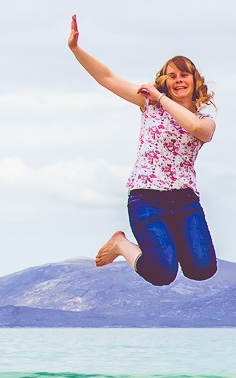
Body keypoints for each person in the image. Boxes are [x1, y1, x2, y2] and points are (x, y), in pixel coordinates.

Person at [67, 15, 219, 285]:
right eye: (171, 76)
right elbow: (107, 78)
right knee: (163, 274)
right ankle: (121, 245)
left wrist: (161, 96)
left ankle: (170, 244)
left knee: (203, 269)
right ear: (164, 80)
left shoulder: (204, 119)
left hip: (185, 201)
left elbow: (197, 130)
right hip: (147, 198)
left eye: (184, 75)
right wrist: (77, 50)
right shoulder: (148, 104)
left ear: (195, 81)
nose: (178, 80)